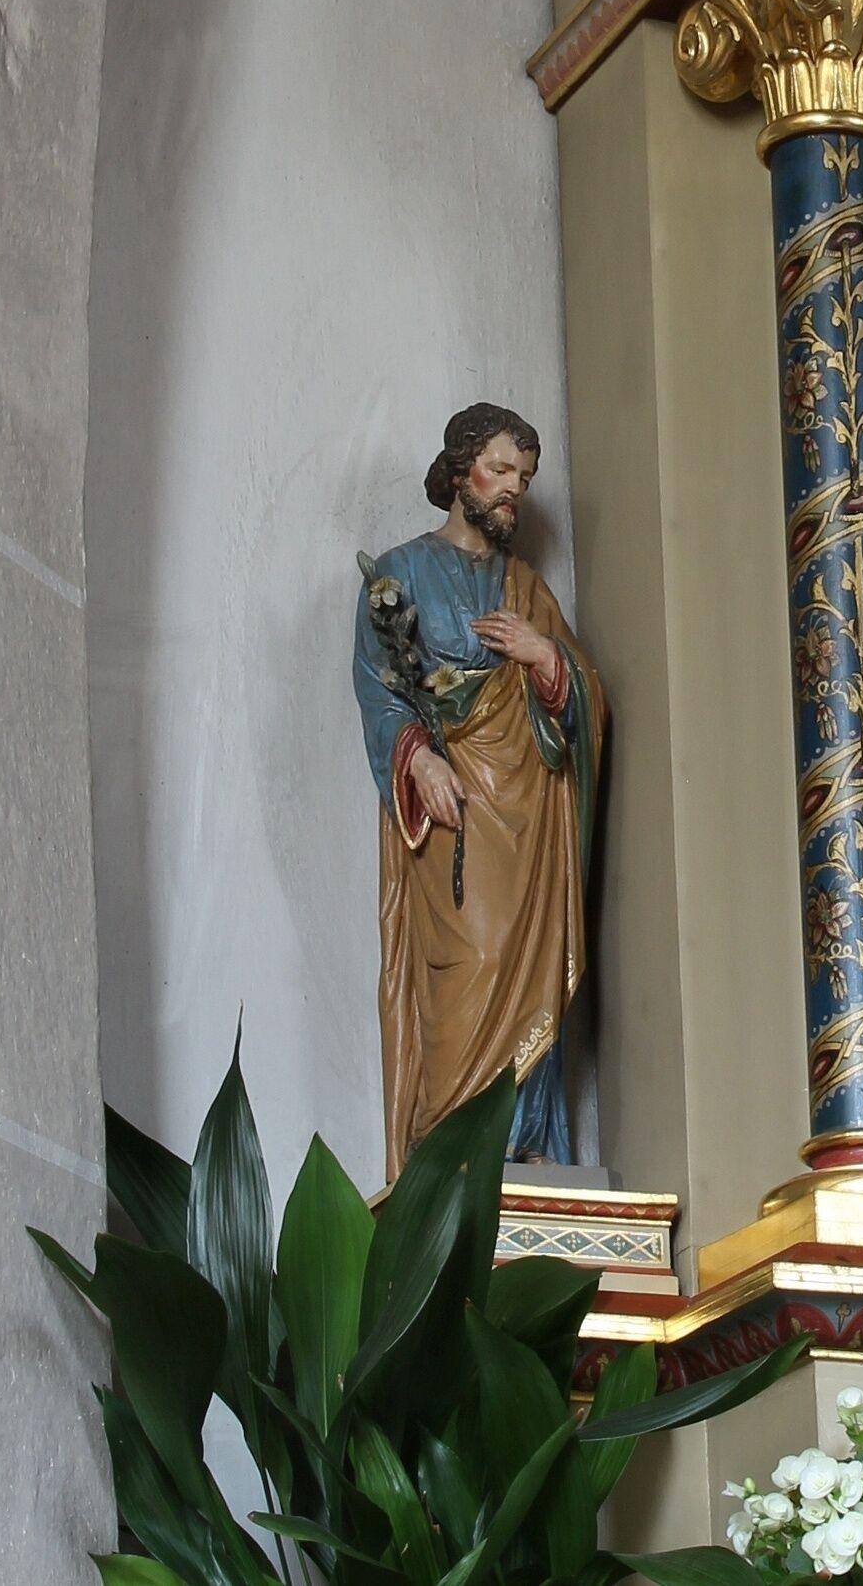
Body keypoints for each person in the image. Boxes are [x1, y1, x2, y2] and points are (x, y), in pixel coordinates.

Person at [353, 403, 604, 1175]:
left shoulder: (527, 588)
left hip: (530, 813)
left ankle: (522, 1145)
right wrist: (419, 759)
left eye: (523, 479)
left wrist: (544, 656)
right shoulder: (401, 571)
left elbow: (585, 698)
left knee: (526, 967)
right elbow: (378, 685)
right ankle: (448, 1153)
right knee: (467, 965)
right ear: (461, 469)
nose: (511, 492)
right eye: (499, 471)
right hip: (456, 807)